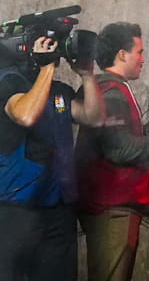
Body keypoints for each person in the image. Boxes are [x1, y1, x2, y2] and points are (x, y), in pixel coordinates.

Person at [75, 22, 149, 281]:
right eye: (139, 51)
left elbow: (122, 140)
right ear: (122, 54)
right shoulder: (112, 93)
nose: (143, 58)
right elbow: (120, 150)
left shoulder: (109, 88)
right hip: (112, 207)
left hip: (110, 205)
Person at [0, 36, 105, 281]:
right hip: (16, 208)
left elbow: (94, 117)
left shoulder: (58, 91)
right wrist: (47, 66)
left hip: (58, 208)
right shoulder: (8, 84)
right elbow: (26, 115)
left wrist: (87, 76)